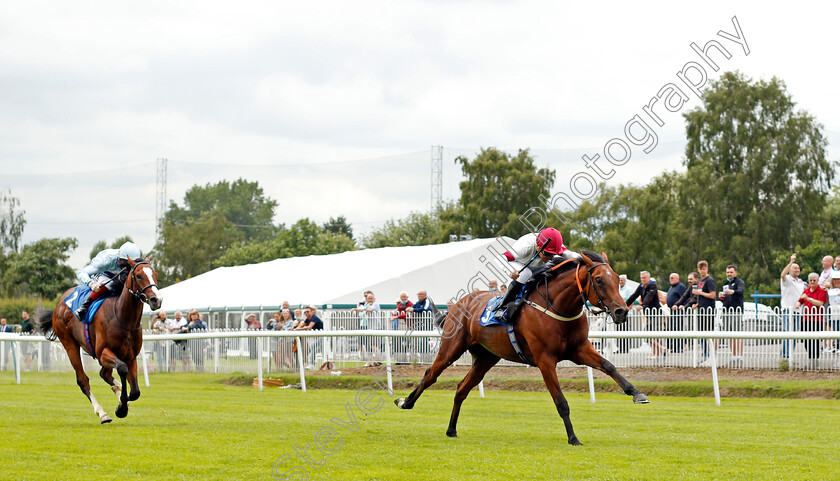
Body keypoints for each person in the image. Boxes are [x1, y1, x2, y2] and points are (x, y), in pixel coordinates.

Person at [493, 227, 568, 323]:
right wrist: (510, 271)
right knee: (526, 273)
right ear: (538, 247)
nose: (549, 257)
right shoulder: (525, 246)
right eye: (547, 253)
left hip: (536, 265)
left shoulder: (555, 244)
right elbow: (500, 258)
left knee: (557, 263)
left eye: (552, 254)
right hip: (518, 263)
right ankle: (503, 307)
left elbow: (570, 255)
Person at [73, 241, 143, 321]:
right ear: (119, 258)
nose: (128, 267)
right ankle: (83, 308)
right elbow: (81, 273)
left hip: (118, 275)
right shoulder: (105, 260)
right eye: (126, 263)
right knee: (110, 284)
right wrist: (91, 284)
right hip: (103, 274)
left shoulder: (130, 261)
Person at [624, 271, 667, 359]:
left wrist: (643, 305)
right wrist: (625, 304)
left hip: (656, 313)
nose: (643, 279)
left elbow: (649, 297)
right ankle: (661, 349)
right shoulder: (641, 286)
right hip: (648, 313)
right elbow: (634, 296)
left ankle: (656, 353)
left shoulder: (653, 285)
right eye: (642, 278)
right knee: (647, 334)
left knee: (655, 334)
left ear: (649, 278)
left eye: (644, 278)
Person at [796, 273, 827, 369]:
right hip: (806, 319)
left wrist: (808, 298)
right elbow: (800, 300)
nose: (812, 282)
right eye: (810, 280)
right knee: (806, 339)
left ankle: (815, 359)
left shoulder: (821, 290)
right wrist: (797, 304)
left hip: (817, 319)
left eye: (814, 280)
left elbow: (820, 303)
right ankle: (810, 358)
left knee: (816, 340)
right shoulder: (806, 290)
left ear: (817, 281)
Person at [780, 254, 805, 360]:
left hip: (798, 311)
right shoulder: (787, 280)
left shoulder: (801, 282)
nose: (797, 270)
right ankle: (785, 357)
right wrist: (791, 261)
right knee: (787, 332)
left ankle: (789, 355)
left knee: (794, 335)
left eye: (798, 268)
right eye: (794, 268)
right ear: (790, 270)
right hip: (788, 310)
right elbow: (782, 275)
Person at [719, 265, 746, 366]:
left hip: (736, 311)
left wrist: (733, 292)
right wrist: (722, 297)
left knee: (738, 334)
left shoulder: (739, 282)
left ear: (735, 273)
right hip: (727, 311)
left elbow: (741, 292)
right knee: (730, 335)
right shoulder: (726, 284)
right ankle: (733, 356)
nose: (729, 274)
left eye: (731, 272)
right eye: (727, 272)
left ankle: (740, 356)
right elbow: (725, 299)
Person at [694, 261, 717, 366]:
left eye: (704, 269)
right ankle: (706, 354)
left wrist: (700, 293)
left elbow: (712, 295)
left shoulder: (709, 280)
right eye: (701, 269)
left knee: (709, 333)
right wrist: (697, 303)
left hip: (708, 310)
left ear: (707, 269)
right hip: (701, 310)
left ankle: (711, 356)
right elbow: (701, 296)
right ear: (698, 270)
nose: (702, 271)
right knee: (702, 333)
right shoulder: (700, 281)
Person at [351, 292, 381, 366]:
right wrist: (355, 309)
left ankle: (378, 361)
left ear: (374, 299)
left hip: (376, 327)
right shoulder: (367, 304)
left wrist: (364, 310)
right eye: (368, 298)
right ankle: (370, 361)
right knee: (369, 345)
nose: (370, 300)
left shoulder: (375, 304)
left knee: (374, 345)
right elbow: (363, 309)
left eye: (371, 298)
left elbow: (370, 310)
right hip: (370, 328)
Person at [673, 272, 700, 352]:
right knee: (690, 328)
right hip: (691, 312)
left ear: (697, 279)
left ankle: (697, 346)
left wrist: (685, 307)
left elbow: (695, 298)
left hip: (699, 312)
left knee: (699, 329)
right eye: (688, 279)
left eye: (691, 279)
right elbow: (684, 296)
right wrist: (677, 304)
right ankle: (692, 346)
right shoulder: (691, 287)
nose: (689, 281)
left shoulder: (699, 287)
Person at [665, 273, 687, 352]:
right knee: (671, 328)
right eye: (670, 278)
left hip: (678, 311)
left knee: (677, 328)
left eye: (672, 278)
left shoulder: (681, 286)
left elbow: (684, 297)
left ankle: (679, 347)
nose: (670, 279)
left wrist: (681, 305)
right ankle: (672, 347)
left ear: (677, 278)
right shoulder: (672, 287)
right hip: (671, 311)